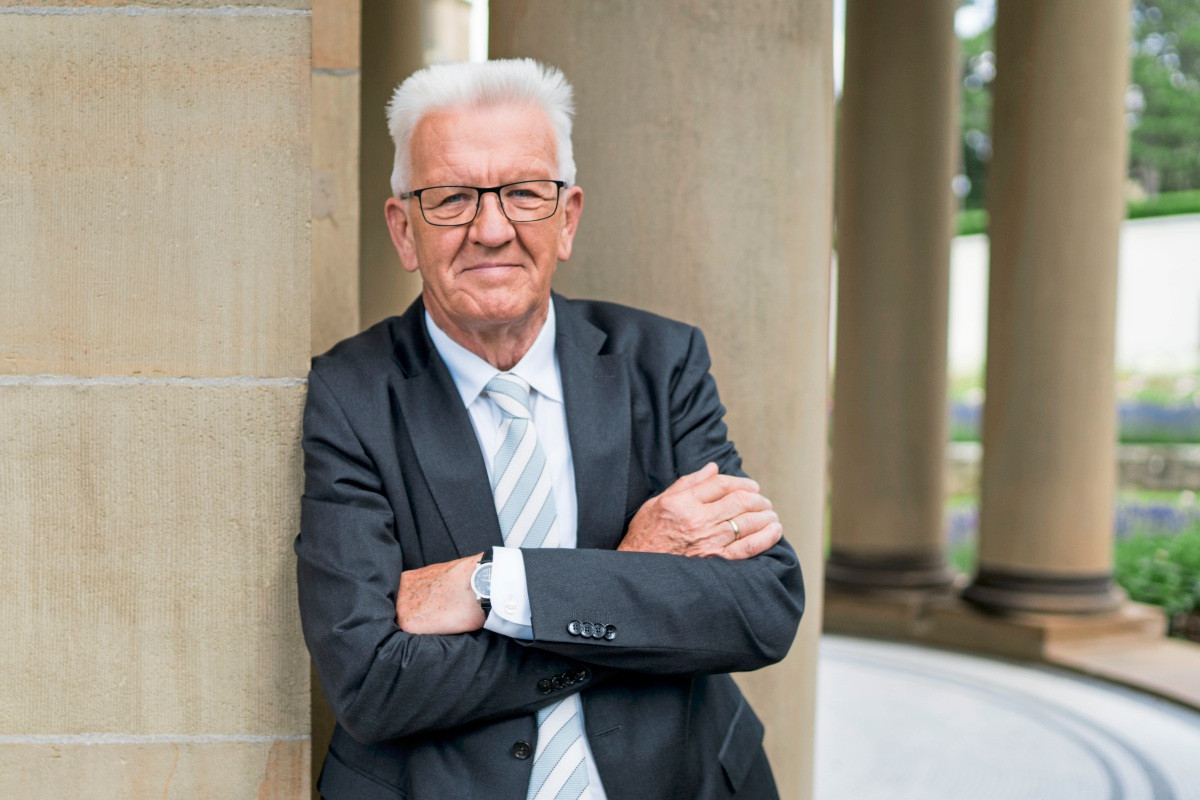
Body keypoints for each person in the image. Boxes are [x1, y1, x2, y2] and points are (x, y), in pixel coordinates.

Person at [295, 58, 804, 800]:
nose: (491, 230)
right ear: (404, 231)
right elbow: (371, 682)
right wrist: (629, 578)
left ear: (566, 219)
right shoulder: (349, 395)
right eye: (451, 198)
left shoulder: (661, 363)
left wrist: (497, 586)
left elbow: (761, 608)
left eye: (525, 194)